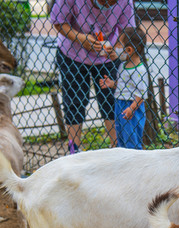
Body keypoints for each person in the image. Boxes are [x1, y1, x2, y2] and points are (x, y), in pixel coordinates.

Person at [50, 0, 135, 152]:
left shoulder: (125, 1)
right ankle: (73, 151)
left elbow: (127, 29)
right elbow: (58, 21)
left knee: (111, 101)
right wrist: (80, 38)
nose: (108, 6)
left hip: (108, 56)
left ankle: (117, 150)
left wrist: (115, 48)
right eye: (104, 1)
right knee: (74, 102)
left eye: (113, 3)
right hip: (72, 52)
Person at [99, 27, 148, 149]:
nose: (116, 47)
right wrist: (112, 84)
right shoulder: (123, 66)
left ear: (129, 50)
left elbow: (141, 94)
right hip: (119, 104)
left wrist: (131, 108)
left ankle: (136, 162)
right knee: (121, 137)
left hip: (131, 106)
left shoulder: (140, 71)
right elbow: (124, 84)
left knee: (132, 138)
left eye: (119, 43)